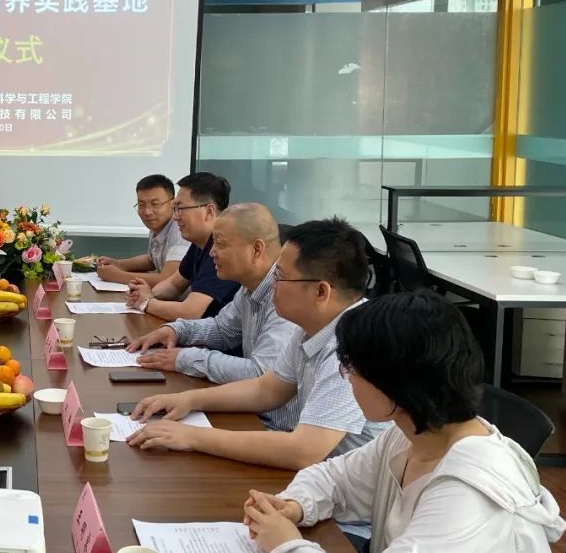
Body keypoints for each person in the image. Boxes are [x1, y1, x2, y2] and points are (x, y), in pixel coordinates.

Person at [244, 291, 566, 553]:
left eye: (352, 368)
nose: (347, 378)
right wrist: (295, 505)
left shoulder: (472, 490)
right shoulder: (410, 434)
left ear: (396, 382)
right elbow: (333, 479)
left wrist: (287, 547)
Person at [127, 218, 387, 470]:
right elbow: (267, 389)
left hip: (353, 495)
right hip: (322, 477)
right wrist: (189, 399)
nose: (272, 284)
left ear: (321, 292)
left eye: (280, 277)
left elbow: (303, 451)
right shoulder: (312, 326)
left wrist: (192, 437)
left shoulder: (353, 347)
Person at [126, 203, 301, 432]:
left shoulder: (286, 295)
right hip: (249, 413)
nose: (211, 252)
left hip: (275, 429)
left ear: (257, 249)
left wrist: (187, 358)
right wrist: (176, 330)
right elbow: (222, 329)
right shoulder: (249, 287)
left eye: (221, 244)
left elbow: (261, 375)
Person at [125, 172, 239, 321]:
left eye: (181, 208)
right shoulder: (200, 243)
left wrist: (146, 302)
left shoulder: (223, 249)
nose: (175, 216)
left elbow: (190, 312)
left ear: (209, 211)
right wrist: (145, 294)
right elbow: (173, 285)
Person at [95, 174, 188, 287]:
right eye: (141, 205)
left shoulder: (180, 229)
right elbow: (152, 260)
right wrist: (118, 264)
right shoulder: (158, 226)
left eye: (155, 204)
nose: (147, 212)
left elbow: (169, 280)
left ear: (173, 203)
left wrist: (117, 275)